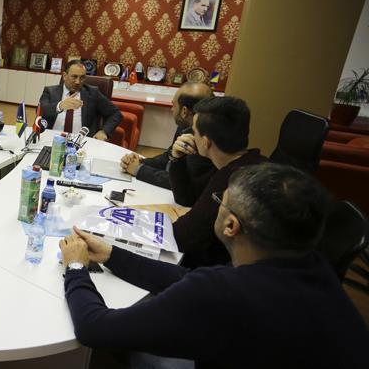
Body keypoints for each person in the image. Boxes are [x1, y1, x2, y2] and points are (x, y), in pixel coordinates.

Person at [59, 163, 368, 367]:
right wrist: (113, 255)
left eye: (221, 201)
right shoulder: (313, 266)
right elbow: (188, 279)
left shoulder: (223, 294)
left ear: (231, 225)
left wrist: (75, 267)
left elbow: (94, 328)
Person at [170, 96, 267, 268]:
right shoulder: (249, 161)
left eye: (194, 131)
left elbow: (182, 236)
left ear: (205, 142)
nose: (191, 136)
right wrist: (177, 159)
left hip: (219, 270)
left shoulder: (231, 178)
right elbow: (186, 198)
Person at [120, 82, 214, 203]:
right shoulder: (185, 126)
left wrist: (139, 169)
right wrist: (140, 161)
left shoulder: (205, 141)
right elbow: (169, 157)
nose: (171, 109)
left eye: (173, 105)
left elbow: (182, 183)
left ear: (184, 111)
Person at [38, 59, 122, 140]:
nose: (78, 82)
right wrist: (60, 106)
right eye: (74, 77)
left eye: (82, 78)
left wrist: (104, 132)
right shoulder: (50, 91)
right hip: (53, 139)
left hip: (81, 142)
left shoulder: (92, 93)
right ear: (64, 76)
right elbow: (40, 111)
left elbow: (115, 113)